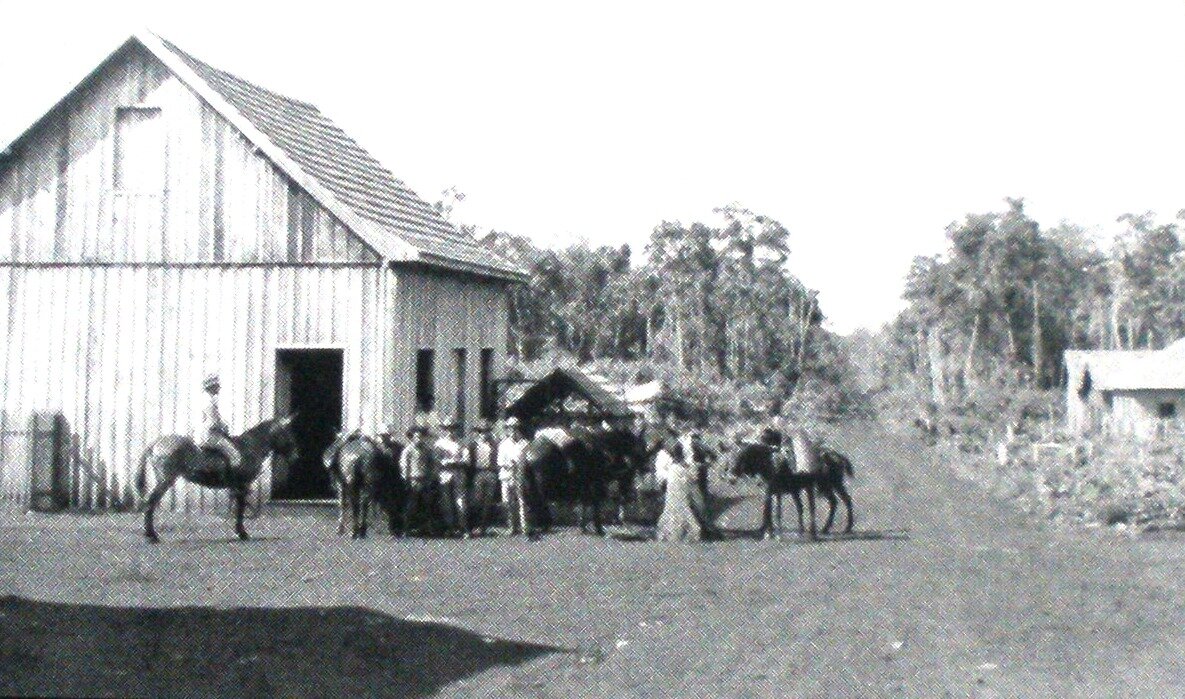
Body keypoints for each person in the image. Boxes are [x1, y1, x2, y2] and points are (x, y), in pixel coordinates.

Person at [654, 431, 712, 542]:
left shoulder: (677, 466)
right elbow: (661, 474)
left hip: (678, 486)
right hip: (675, 486)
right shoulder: (666, 459)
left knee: (687, 506)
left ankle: (699, 528)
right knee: (683, 507)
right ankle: (688, 530)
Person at [197, 374, 241, 477]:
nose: (219, 388)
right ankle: (233, 483)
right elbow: (213, 423)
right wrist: (224, 428)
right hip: (209, 436)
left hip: (200, 435)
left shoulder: (203, 400)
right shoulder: (211, 402)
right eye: (217, 386)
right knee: (235, 455)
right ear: (212, 387)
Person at [399, 427, 438, 536]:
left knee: (427, 505)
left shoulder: (427, 450)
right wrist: (406, 479)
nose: (419, 439)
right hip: (413, 480)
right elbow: (404, 466)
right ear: (413, 438)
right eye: (417, 437)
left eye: (421, 437)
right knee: (411, 505)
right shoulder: (408, 450)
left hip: (425, 479)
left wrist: (431, 477)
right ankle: (406, 529)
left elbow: (432, 464)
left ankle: (427, 528)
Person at [467, 420, 501, 536]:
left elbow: (497, 459)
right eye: (481, 432)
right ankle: (474, 526)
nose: (483, 434)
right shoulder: (473, 445)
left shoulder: (494, 444)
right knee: (477, 500)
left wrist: (495, 471)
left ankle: (483, 527)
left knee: (488, 501)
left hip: (490, 472)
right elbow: (470, 462)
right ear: (477, 433)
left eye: (486, 432)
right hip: (478, 473)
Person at [496, 416, 529, 535]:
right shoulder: (503, 445)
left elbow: (527, 460)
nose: (513, 430)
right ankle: (512, 526)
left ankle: (525, 527)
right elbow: (499, 462)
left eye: (515, 427)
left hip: (520, 476)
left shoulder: (524, 443)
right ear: (507, 429)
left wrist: (519, 466)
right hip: (506, 476)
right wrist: (509, 465)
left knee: (521, 501)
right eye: (510, 428)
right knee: (507, 502)